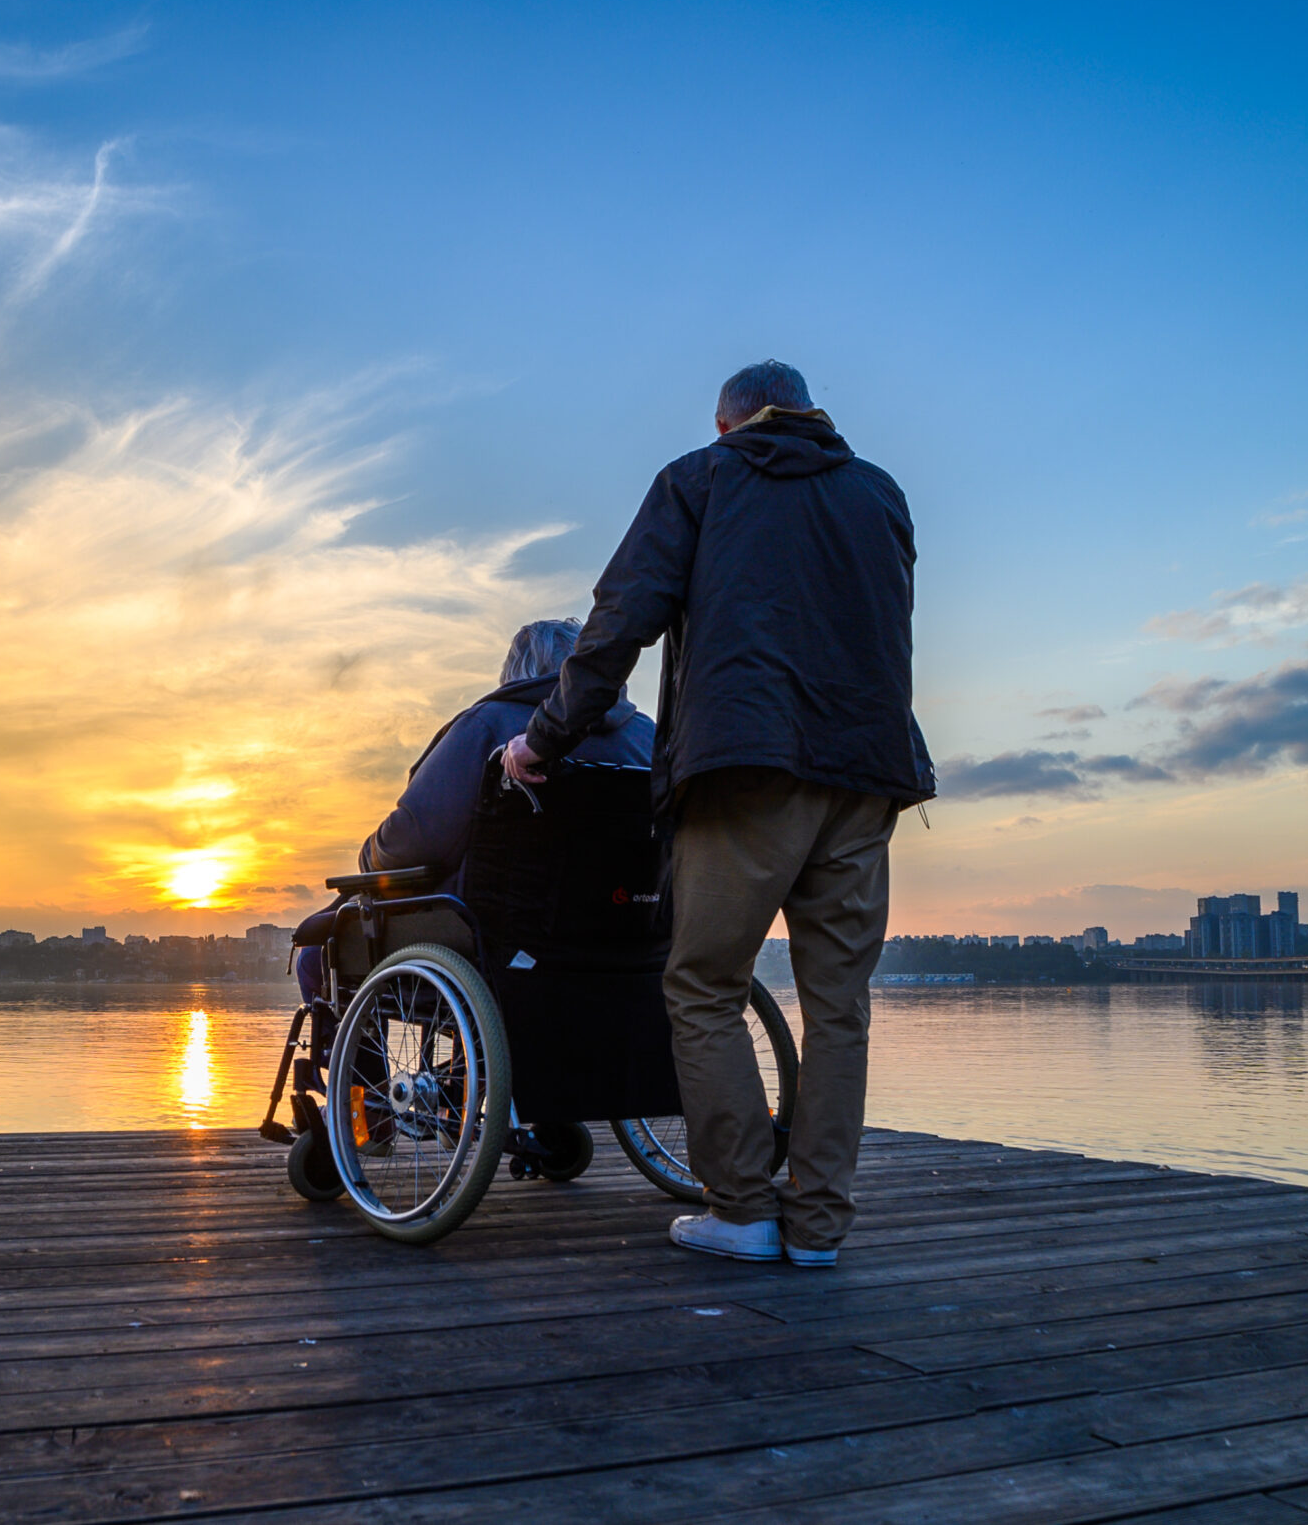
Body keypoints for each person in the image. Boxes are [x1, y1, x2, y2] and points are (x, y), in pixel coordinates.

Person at [502, 360, 933, 1267]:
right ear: (811, 411)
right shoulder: (880, 494)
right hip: (867, 773)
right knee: (839, 1008)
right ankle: (818, 1227)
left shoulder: (700, 478)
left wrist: (542, 739)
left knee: (702, 986)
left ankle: (742, 1205)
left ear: (728, 424)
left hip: (745, 766)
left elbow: (620, 621)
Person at [291, 620, 652, 1004]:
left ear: (514, 676)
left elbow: (414, 841)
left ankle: (362, 1065)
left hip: (497, 943)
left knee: (317, 959)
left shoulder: (489, 725)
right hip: (629, 939)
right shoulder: (647, 737)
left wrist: (369, 854)